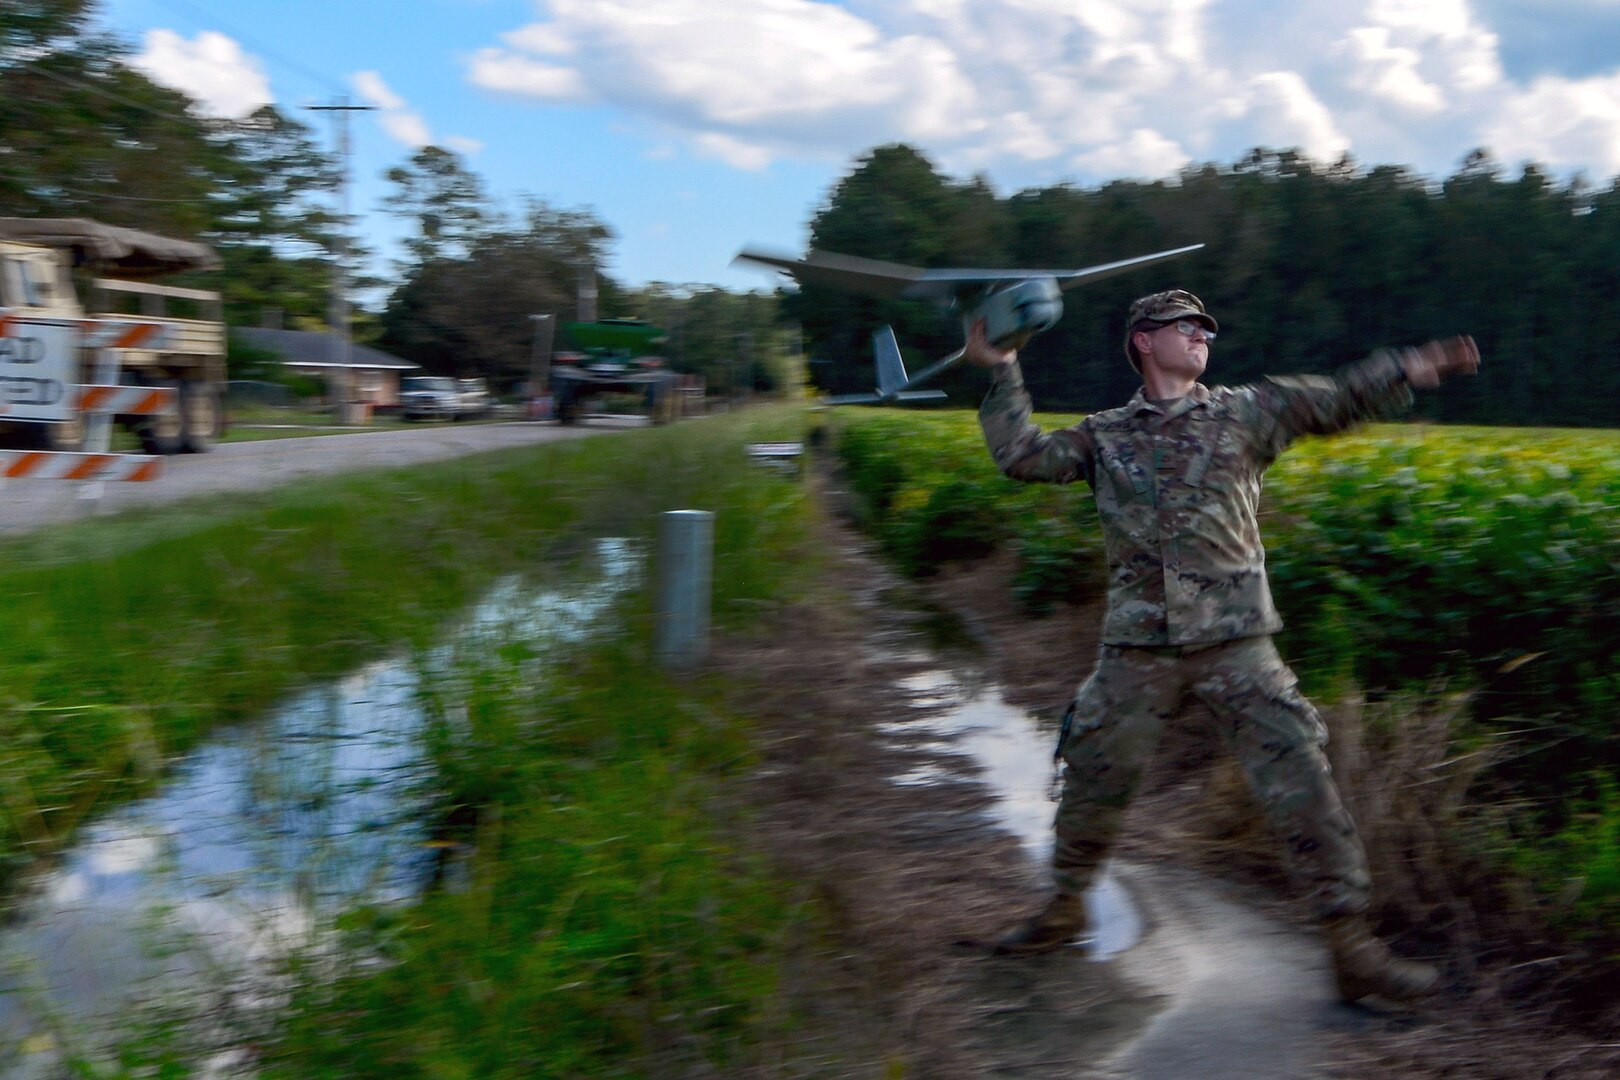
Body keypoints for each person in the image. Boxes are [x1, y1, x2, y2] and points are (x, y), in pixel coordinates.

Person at [965, 288, 1480, 1004]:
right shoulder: (1107, 433)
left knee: (1302, 780)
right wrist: (1001, 370)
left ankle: (1351, 947)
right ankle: (1062, 910)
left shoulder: (1246, 412)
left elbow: (1335, 399)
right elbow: (1022, 456)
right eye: (1185, 326)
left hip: (1238, 642)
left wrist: (1411, 366)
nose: (1202, 335)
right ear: (1144, 341)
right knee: (1092, 776)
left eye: (1206, 327)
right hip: (1139, 648)